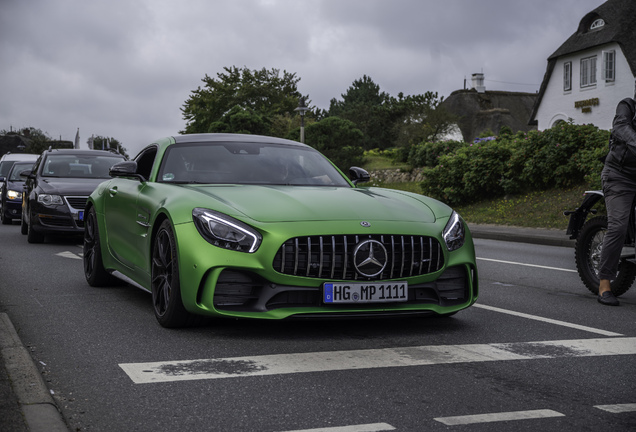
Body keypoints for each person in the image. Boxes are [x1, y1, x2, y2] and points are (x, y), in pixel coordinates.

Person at [597, 91, 636, 306]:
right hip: (619, 176)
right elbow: (621, 129)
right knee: (618, 226)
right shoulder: (627, 106)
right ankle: (604, 283)